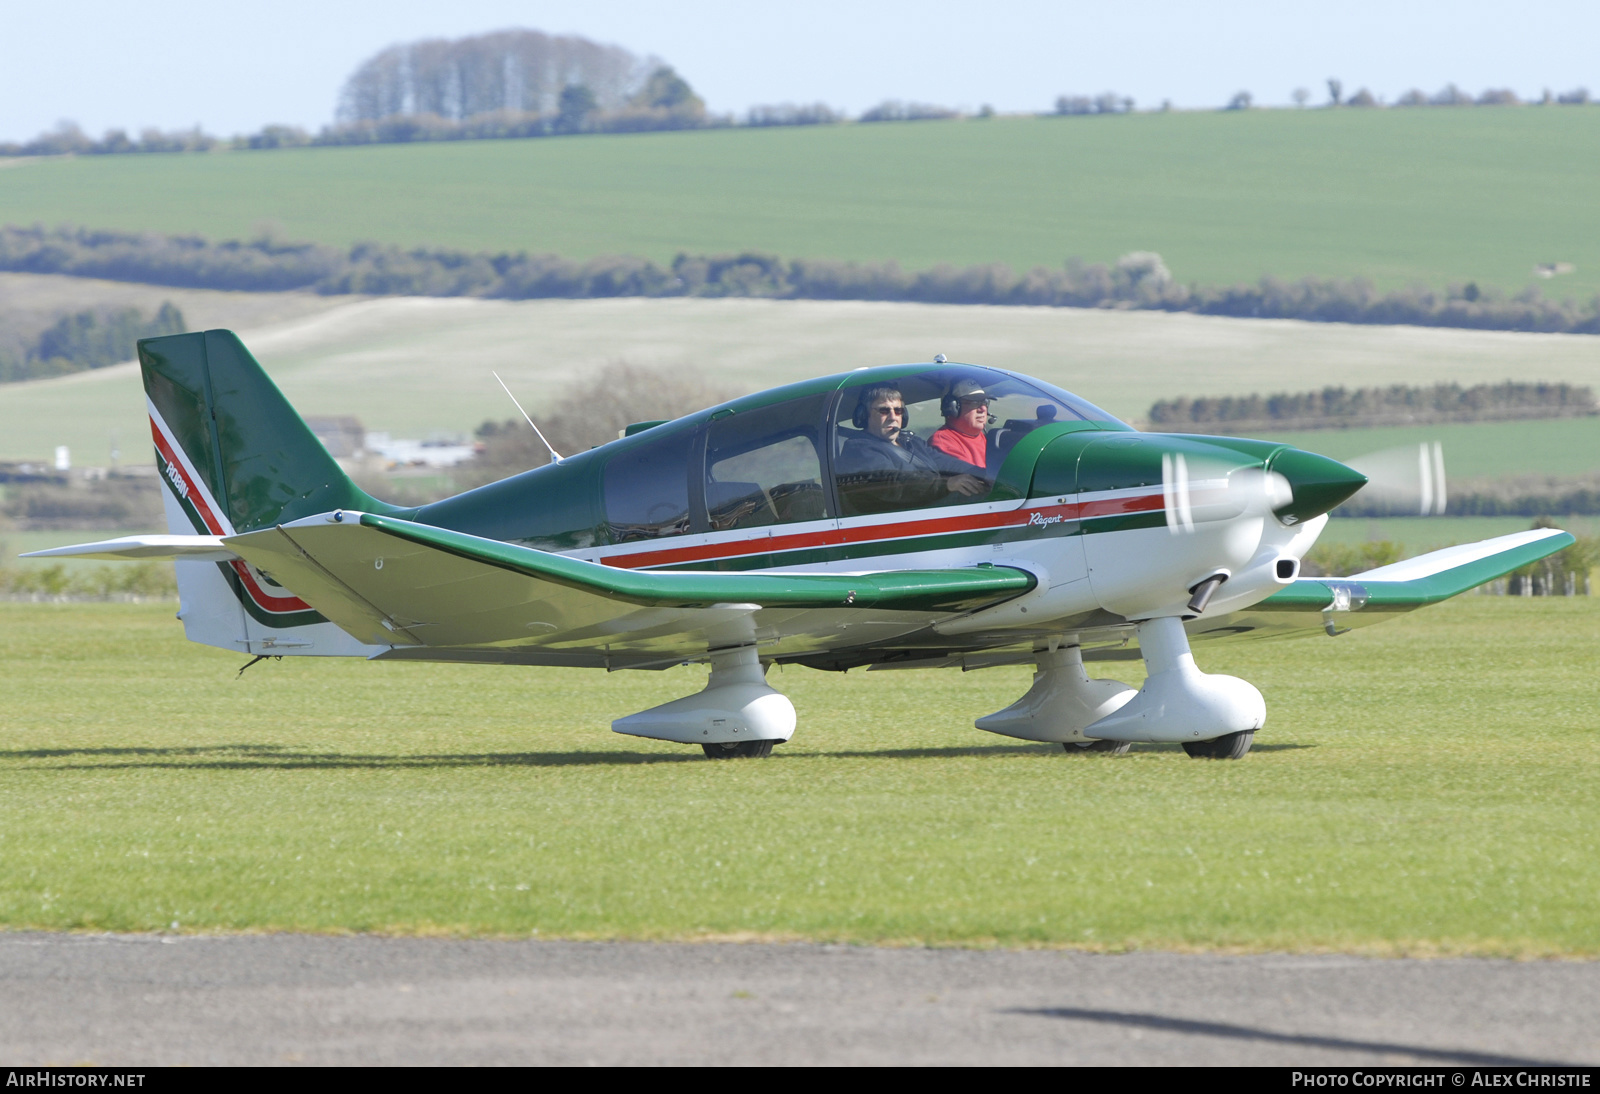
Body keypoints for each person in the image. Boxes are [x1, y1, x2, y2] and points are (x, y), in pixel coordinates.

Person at [836, 385, 987, 511]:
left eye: (898, 411)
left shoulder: (911, 443)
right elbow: (895, 483)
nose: (893, 417)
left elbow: (945, 463)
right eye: (884, 410)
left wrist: (987, 475)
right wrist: (946, 484)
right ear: (864, 415)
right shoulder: (858, 450)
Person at [929, 378, 991, 469]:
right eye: (974, 402)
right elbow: (972, 478)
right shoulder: (943, 442)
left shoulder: (985, 438)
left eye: (984, 402)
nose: (983, 409)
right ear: (952, 407)